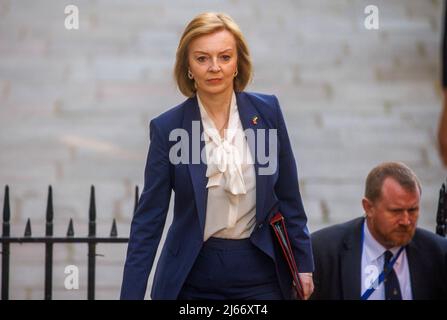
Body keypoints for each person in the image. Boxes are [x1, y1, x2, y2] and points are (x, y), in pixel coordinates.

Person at [120, 12, 314, 300]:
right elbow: (148, 221)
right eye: (202, 58)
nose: (215, 68)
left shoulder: (268, 112)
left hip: (261, 273)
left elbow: (288, 196)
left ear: (238, 64)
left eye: (224, 57)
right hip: (193, 276)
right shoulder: (168, 129)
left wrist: (303, 264)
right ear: (188, 66)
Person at [310, 162, 447, 300]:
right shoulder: (322, 252)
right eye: (396, 211)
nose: (406, 221)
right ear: (368, 207)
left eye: (412, 210)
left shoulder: (438, 253)